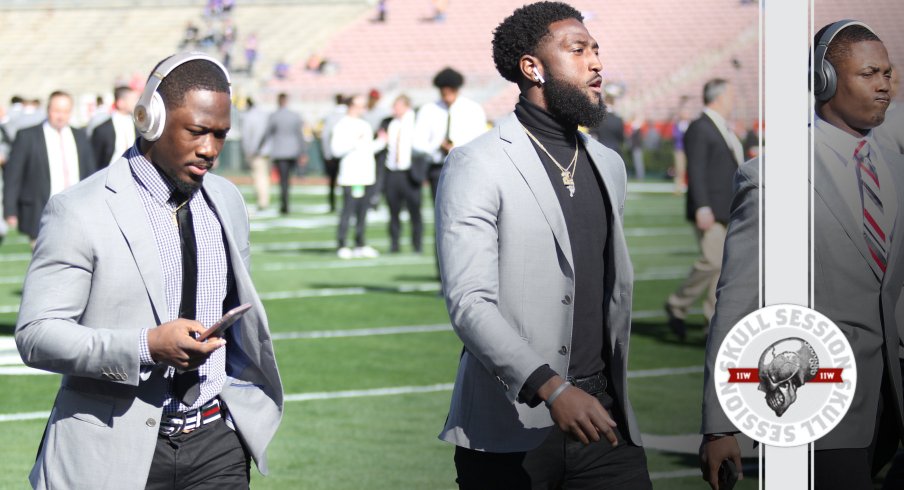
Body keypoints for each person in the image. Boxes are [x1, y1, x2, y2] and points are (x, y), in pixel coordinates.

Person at [14, 53, 283, 489]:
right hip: (114, 448)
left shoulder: (228, 200)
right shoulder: (79, 210)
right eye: (197, 132)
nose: (210, 149)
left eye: (220, 135)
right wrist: (145, 346)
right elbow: (36, 335)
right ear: (150, 120)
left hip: (217, 441)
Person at [436, 3, 651, 488]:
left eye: (597, 50)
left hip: (605, 424)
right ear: (532, 67)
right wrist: (552, 389)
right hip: (512, 432)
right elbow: (469, 303)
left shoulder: (608, 164)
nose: (596, 63)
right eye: (578, 50)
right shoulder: (477, 163)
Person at [700, 21, 904, 490]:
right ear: (823, 81)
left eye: (888, 73)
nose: (884, 85)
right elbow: (736, 302)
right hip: (818, 400)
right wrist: (719, 423)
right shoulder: (772, 176)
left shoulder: (896, 167)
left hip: (893, 400)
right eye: (869, 73)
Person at [664, 78, 742, 341]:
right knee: (712, 261)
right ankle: (677, 304)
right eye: (731, 95)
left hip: (726, 207)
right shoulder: (701, 127)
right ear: (719, 97)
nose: (734, 101)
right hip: (710, 208)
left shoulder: (722, 127)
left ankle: (712, 321)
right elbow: (695, 170)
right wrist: (703, 206)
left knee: (721, 267)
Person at [3, 90, 95, 246]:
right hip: (41, 210)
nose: (61, 116)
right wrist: (10, 210)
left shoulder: (80, 136)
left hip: (76, 211)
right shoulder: (27, 136)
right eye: (56, 111)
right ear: (48, 110)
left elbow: (90, 173)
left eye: (65, 111)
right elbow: (13, 175)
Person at [413, 66, 487, 202]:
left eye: (450, 92)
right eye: (443, 92)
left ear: (457, 90)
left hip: (465, 166)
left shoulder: (473, 109)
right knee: (441, 209)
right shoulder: (428, 110)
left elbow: (480, 140)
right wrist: (436, 146)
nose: (447, 96)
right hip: (438, 168)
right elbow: (417, 143)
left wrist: (455, 148)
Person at [331, 94, 380, 259]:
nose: (363, 108)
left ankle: (360, 243)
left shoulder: (365, 125)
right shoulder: (342, 125)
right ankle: (342, 243)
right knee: (348, 210)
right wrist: (353, 141)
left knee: (363, 212)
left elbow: (368, 148)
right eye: (360, 105)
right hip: (351, 176)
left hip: (366, 175)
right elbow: (336, 150)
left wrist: (382, 142)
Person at [382, 94, 422, 253]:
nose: (394, 110)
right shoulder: (389, 123)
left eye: (397, 106)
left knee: (414, 211)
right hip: (392, 172)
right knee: (393, 210)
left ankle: (416, 244)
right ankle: (394, 243)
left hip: (409, 173)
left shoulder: (416, 122)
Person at [263, 92, 307, 214]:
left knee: (283, 180)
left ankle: (284, 204)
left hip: (279, 151)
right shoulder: (295, 116)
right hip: (292, 151)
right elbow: (300, 135)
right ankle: (286, 202)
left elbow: (267, 133)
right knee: (287, 179)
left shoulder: (274, 116)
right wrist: (303, 151)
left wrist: (261, 147)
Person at [91, 85, 139, 169]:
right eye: (133, 100)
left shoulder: (139, 126)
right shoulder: (102, 130)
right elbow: (95, 160)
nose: (137, 103)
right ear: (120, 102)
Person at [240, 96, 272, 211]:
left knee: (259, 177)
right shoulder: (264, 115)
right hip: (265, 151)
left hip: (256, 152)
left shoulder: (248, 117)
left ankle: (262, 201)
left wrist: (250, 150)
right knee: (263, 176)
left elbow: (249, 136)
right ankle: (263, 199)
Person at [320, 94, 347, 212]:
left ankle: (332, 204)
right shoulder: (350, 115)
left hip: (334, 152)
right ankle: (349, 204)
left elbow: (325, 136)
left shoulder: (330, 116)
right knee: (349, 181)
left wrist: (327, 154)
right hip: (348, 154)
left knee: (332, 181)